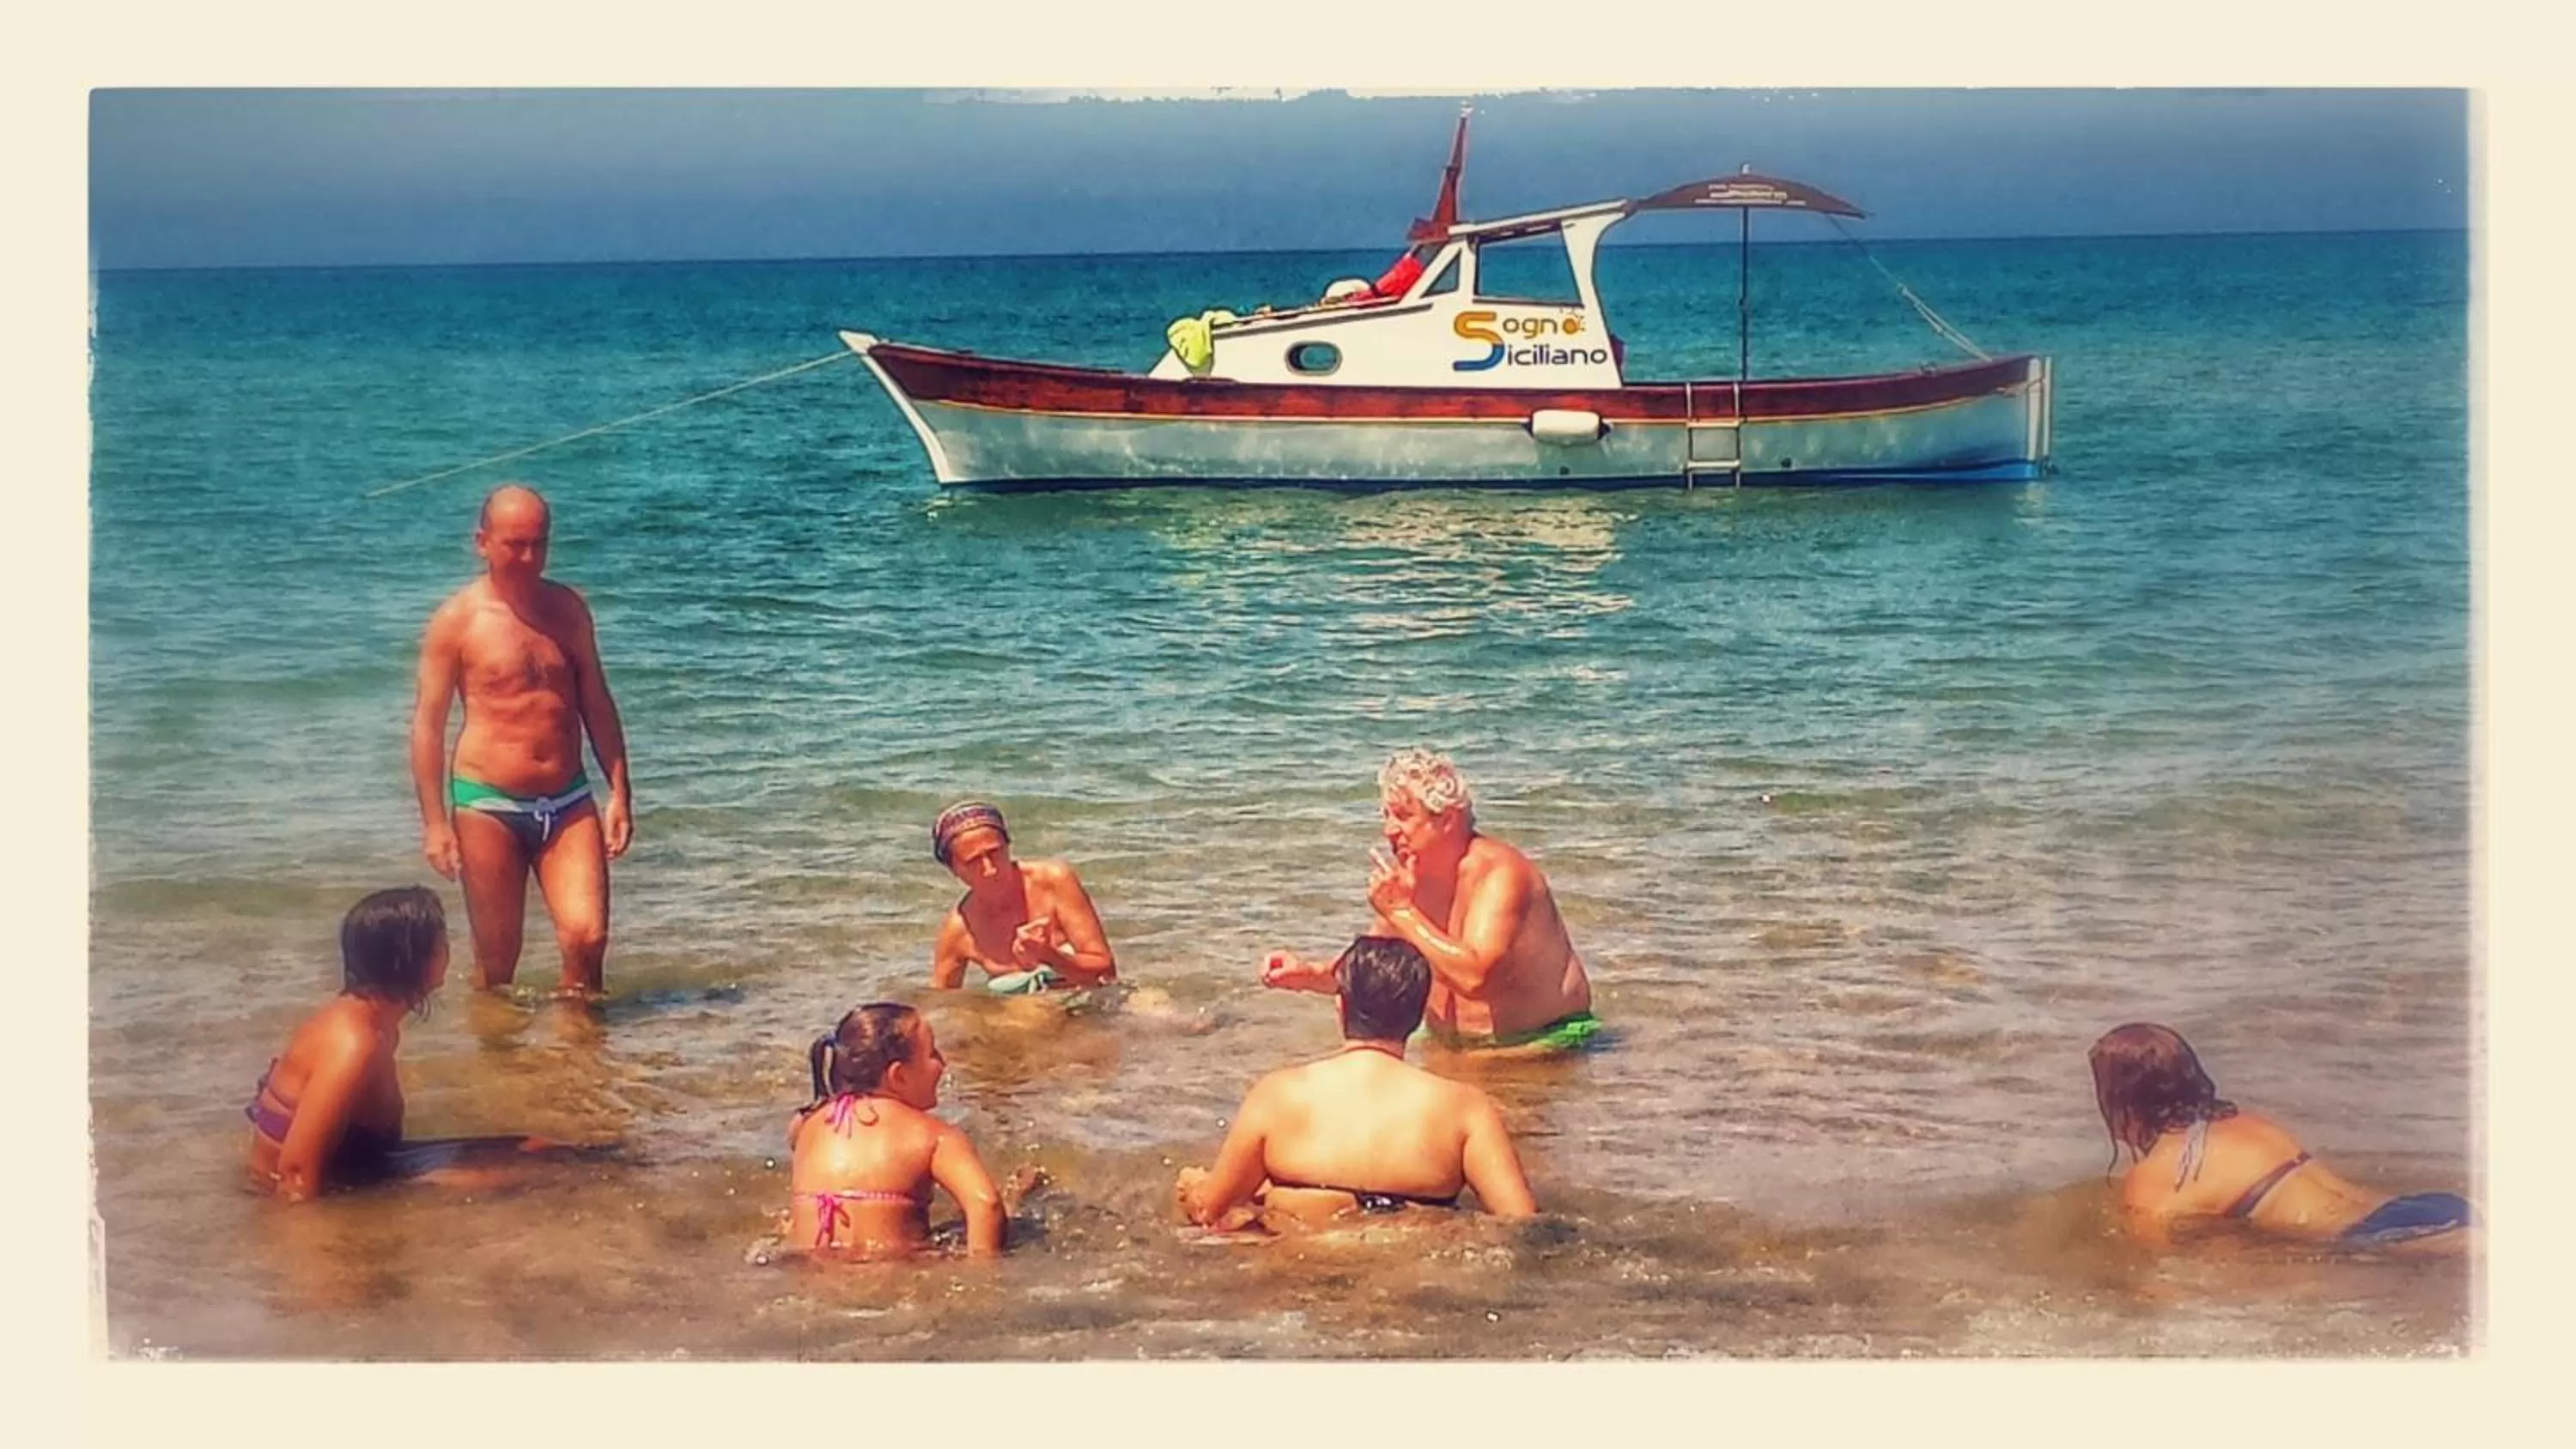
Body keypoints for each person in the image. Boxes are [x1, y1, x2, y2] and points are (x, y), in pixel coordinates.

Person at [410, 483, 633, 997]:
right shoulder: (456, 621)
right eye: (515, 545)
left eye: (539, 544)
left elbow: (596, 700)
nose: (529, 558)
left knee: (587, 939)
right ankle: (498, 1048)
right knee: (497, 967)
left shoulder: (569, 609)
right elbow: (427, 725)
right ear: (482, 543)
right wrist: (435, 823)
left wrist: (620, 792)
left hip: (568, 798)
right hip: (488, 804)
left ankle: (580, 1046)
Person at [1177, 935, 1537, 1229]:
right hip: (1414, 1263)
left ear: (1341, 1007)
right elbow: (1521, 1222)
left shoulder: (1279, 1094)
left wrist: (1194, 1188)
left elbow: (1211, 1211)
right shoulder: (1464, 1107)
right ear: (1417, 1017)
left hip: (1302, 1263)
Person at [247, 887, 582, 1200]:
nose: (449, 949)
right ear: (409, 959)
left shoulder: (367, 1021)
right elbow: (294, 1176)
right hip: (328, 1185)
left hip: (361, 1165)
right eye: (442, 943)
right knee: (558, 1170)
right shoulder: (355, 1043)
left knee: (540, 1150)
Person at [1261, 749, 1597, 1051]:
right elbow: (1373, 969)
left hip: (1541, 1045)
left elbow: (1475, 978)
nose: (1389, 830)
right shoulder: (1413, 875)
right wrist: (1309, 974)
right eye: (1386, 816)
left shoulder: (1502, 873)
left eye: (1402, 816)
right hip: (1448, 1046)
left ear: (1447, 819)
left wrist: (1402, 912)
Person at [2087, 1022, 2473, 1254]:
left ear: (2122, 1097)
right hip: (2427, 1207)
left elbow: (2158, 1274)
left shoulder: (2157, 1176)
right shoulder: (2244, 1122)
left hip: (2386, 1237)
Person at [788, 1003, 1005, 1257]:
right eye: (933, 1053)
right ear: (899, 1076)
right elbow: (986, 1204)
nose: (943, 1063)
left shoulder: (807, 1125)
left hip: (811, 1270)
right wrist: (982, 1269)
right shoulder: (933, 1135)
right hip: (894, 1270)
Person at [929, 801, 1117, 995]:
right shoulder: (959, 929)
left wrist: (1051, 956)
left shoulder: (1053, 881)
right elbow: (940, 1001)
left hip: (1084, 1007)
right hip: (1017, 1013)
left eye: (995, 853)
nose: (990, 869)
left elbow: (1107, 973)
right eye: (973, 861)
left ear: (1008, 846)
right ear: (954, 870)